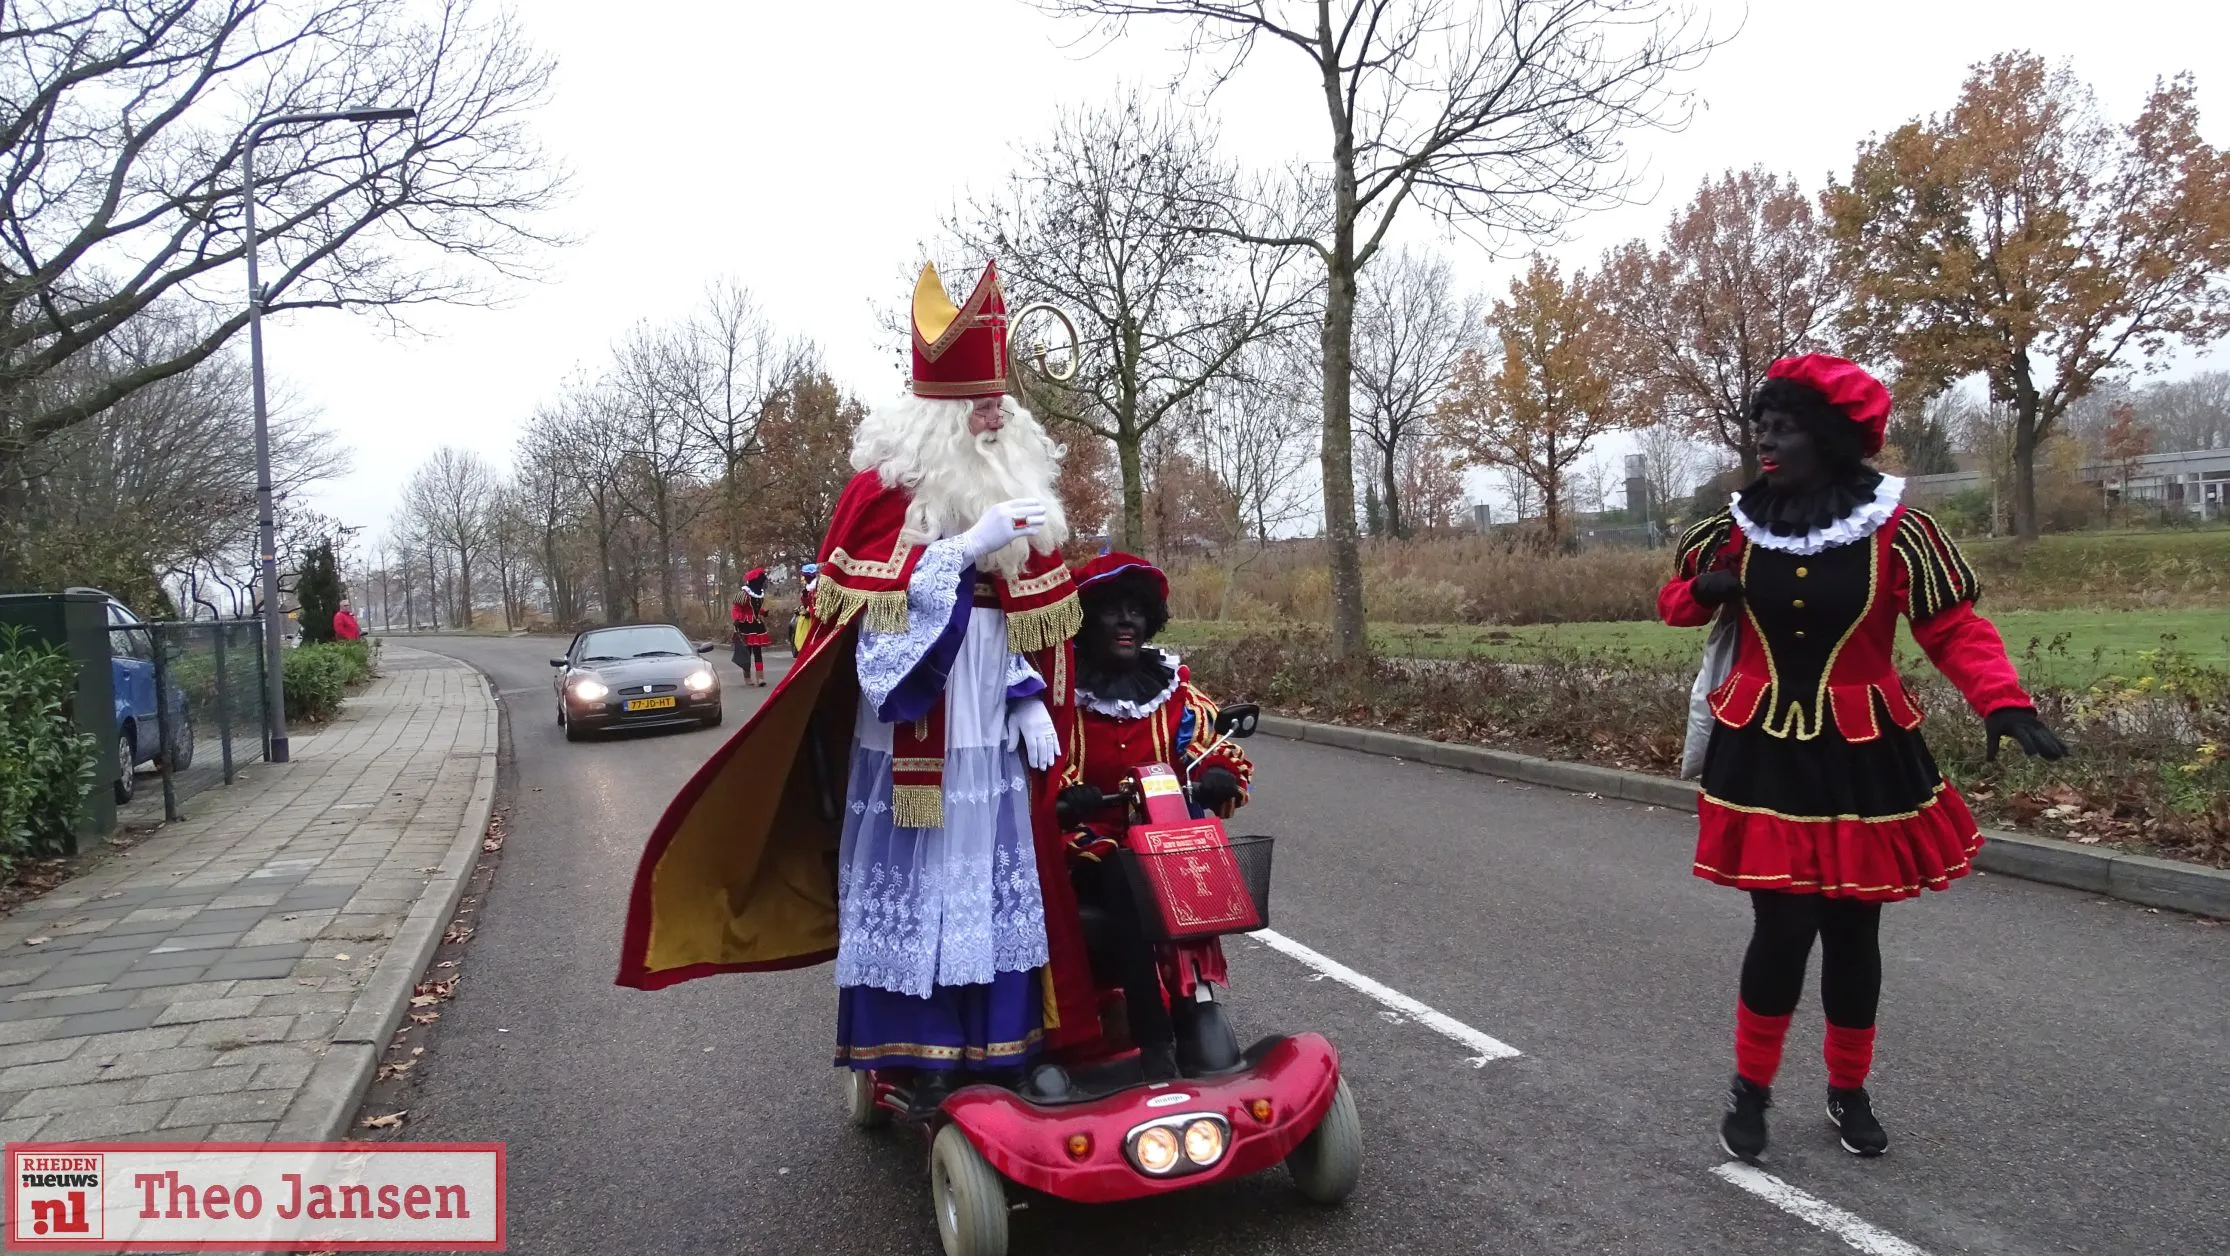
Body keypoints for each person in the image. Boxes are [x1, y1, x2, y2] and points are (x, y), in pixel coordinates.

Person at [616, 261, 1097, 1104]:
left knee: (989, 894)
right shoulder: (881, 496)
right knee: (918, 898)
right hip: (912, 745)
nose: (993, 413)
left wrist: (1025, 696)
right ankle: (910, 1061)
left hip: (990, 743)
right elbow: (874, 639)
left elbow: (1020, 622)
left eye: (998, 401)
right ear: (932, 416)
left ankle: (1005, 1048)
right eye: (974, 403)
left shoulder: (1019, 492)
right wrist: (957, 549)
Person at [1660, 354, 2067, 1163]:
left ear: (1833, 437)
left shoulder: (1898, 532)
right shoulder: (1738, 527)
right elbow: (1675, 601)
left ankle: (1848, 1092)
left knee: (1855, 929)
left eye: (1785, 427)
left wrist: (2005, 701)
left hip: (1864, 751)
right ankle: (1752, 1088)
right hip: (1764, 749)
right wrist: (1704, 592)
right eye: (1762, 427)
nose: (1767, 442)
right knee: (1782, 927)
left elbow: (1953, 629)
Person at [1052, 552, 1252, 1078]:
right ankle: (1153, 1039)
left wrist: (1219, 776)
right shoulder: (1062, 694)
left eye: (1136, 611)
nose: (1126, 622)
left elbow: (1210, 748)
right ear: (1085, 619)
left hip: (1165, 837)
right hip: (1087, 847)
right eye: (1111, 611)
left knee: (1174, 872)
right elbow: (1042, 763)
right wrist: (1068, 795)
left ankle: (1195, 1002)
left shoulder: (1172, 690)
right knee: (1124, 875)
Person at [731, 570, 773, 685]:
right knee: (747, 653)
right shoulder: (743, 594)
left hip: (757, 626)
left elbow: (756, 608)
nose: (764, 584)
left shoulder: (759, 593)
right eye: (762, 581)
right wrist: (739, 618)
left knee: (758, 652)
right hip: (746, 627)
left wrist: (763, 612)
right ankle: (747, 678)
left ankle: (760, 678)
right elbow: (736, 609)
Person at [792, 563, 820, 654]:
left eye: (806, 576)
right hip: (810, 616)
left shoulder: (818, 585)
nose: (805, 578)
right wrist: (804, 597)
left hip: (819, 616)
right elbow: (807, 604)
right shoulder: (808, 587)